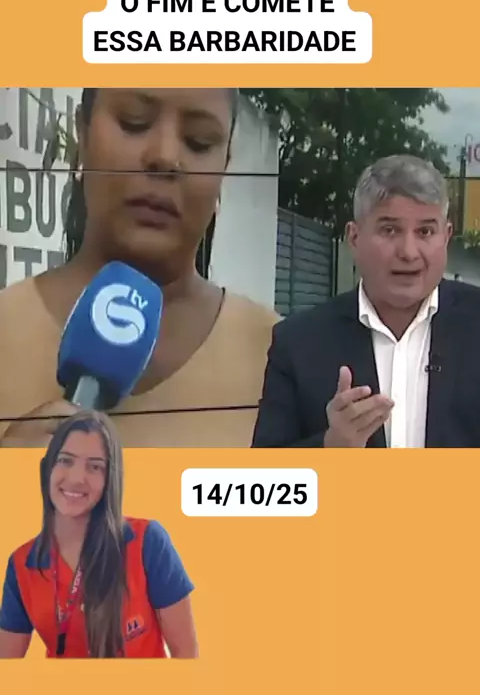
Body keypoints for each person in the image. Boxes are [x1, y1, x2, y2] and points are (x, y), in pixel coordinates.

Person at [0, 88, 280, 448]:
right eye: (134, 122)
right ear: (83, 134)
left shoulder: (284, 356)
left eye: (198, 141)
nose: (165, 157)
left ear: (224, 167)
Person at [252, 154, 480, 448]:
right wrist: (331, 448)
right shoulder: (297, 343)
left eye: (425, 231)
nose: (409, 252)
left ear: (446, 237)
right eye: (390, 230)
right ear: (354, 237)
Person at [0, 411, 198, 658]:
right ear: (47, 469)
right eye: (65, 461)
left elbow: (186, 655)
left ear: (110, 479)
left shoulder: (148, 542)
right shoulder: (22, 564)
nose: (76, 478)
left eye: (94, 467)